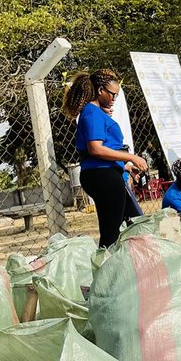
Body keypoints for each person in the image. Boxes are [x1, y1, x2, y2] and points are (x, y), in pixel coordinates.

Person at [62, 69, 147, 248]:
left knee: (132, 223)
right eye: (112, 94)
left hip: (106, 173)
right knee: (112, 232)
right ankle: (106, 268)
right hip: (103, 177)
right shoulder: (92, 113)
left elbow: (100, 151)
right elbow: (95, 149)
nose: (113, 99)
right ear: (100, 90)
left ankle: (125, 265)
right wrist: (131, 157)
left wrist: (125, 167)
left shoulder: (96, 112)